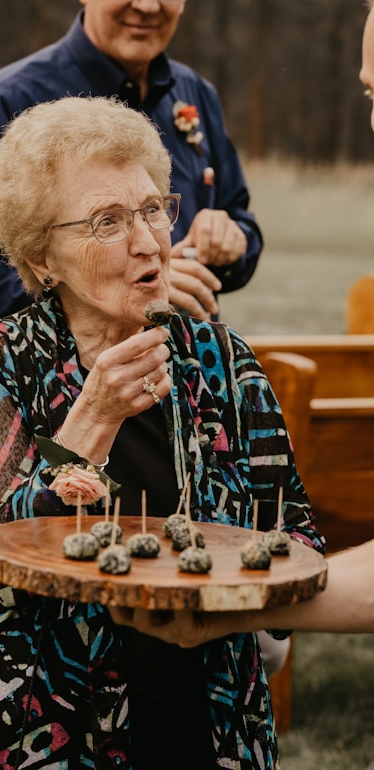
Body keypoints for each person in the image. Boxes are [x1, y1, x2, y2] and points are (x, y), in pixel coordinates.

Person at [0, 96, 323, 770]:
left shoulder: (223, 363)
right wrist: (93, 418)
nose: (146, 241)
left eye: (152, 208)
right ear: (43, 257)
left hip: (203, 702)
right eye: (107, 221)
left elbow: (294, 538)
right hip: (31, 714)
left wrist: (231, 601)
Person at [110, 0, 374, 649]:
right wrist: (242, 607)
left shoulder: (197, 94)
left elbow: (240, 219)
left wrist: (231, 239)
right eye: (370, 91)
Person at [0, 0, 263, 333]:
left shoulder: (198, 93)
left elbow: (242, 226)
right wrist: (125, 290)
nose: (148, 6)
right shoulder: (5, 99)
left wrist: (231, 241)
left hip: (192, 370)